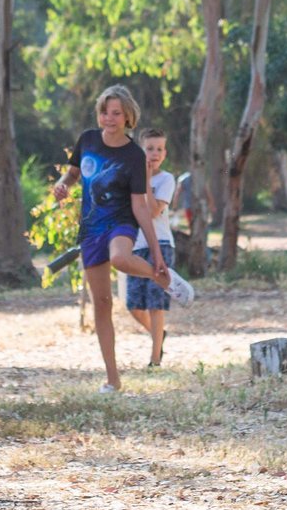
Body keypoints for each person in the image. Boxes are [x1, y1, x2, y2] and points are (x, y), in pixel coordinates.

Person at [51, 86, 194, 393]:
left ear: (128, 116)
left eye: (116, 113)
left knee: (119, 257)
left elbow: (141, 206)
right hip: (91, 228)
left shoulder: (135, 156)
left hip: (121, 222)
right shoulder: (88, 140)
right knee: (102, 304)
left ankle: (161, 276)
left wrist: (156, 253)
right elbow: (73, 174)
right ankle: (113, 379)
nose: (109, 118)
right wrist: (63, 185)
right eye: (105, 112)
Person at [127, 128, 176, 367]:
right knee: (134, 306)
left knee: (156, 304)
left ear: (165, 153)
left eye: (159, 149)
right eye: (149, 149)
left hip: (161, 245)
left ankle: (155, 360)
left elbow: (154, 211)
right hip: (136, 246)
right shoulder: (129, 177)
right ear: (140, 151)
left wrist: (145, 180)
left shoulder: (166, 180)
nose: (154, 153)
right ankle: (159, 336)